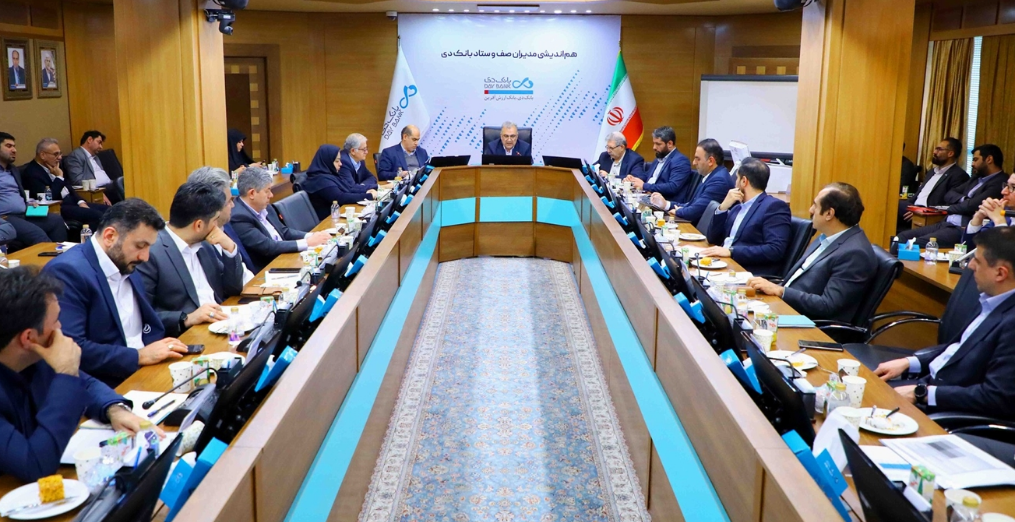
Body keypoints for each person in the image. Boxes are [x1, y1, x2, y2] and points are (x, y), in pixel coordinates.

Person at [0, 266, 162, 482]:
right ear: (28, 338)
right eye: (56, 322)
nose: (61, 328)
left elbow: (85, 383)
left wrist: (115, 410)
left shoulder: (34, 355)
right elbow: (35, 465)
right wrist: (66, 373)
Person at [873, 226, 1015, 421]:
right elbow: (960, 349)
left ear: (1000, 273)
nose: (970, 265)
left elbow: (996, 397)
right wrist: (910, 362)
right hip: (927, 385)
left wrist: (922, 393)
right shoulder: (990, 300)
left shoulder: (1011, 323)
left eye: (977, 261)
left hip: (950, 413)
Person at [42, 199, 188, 387]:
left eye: (149, 247)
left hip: (151, 368)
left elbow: (143, 324)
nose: (145, 257)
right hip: (108, 384)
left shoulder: (126, 262)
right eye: (140, 246)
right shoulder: (67, 272)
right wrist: (138, 356)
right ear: (110, 236)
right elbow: (71, 348)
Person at [747, 182, 876, 322]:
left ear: (829, 214)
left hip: (805, 322)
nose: (811, 210)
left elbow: (827, 305)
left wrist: (780, 291)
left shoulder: (855, 254)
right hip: (784, 306)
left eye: (815, 205)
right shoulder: (826, 237)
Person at [137, 182, 244, 337]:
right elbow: (143, 316)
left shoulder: (205, 244)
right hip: (188, 336)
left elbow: (233, 288)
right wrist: (187, 318)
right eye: (215, 219)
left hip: (222, 323)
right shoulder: (151, 253)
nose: (217, 226)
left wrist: (229, 247)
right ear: (198, 225)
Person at [898, 144, 1006, 248]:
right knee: (901, 237)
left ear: (989, 159)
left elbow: (972, 206)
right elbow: (949, 194)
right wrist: (964, 199)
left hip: (960, 227)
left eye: (975, 160)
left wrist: (950, 208)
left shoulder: (999, 182)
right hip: (946, 222)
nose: (972, 164)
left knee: (913, 243)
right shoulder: (976, 178)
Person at [230, 166, 331, 272]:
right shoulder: (239, 217)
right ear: (252, 193)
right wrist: (307, 242)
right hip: (270, 268)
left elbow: (283, 231)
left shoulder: (264, 205)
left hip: (285, 256)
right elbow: (268, 246)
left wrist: (313, 236)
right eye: (267, 191)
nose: (271, 195)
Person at [701, 157, 791, 276]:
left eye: (737, 178)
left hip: (745, 271)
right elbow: (712, 238)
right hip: (721, 263)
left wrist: (731, 251)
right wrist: (722, 208)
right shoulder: (737, 207)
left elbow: (775, 250)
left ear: (744, 181)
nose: (734, 183)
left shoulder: (774, 207)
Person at [22, 138, 108, 231]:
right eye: (56, 154)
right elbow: (49, 197)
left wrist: (80, 202)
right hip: (59, 207)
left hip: (72, 202)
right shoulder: (32, 173)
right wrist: (59, 177)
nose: (60, 158)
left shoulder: (54, 166)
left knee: (109, 210)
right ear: (43, 155)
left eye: (60, 153)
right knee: (96, 215)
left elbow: (69, 187)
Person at [0, 132, 68, 247]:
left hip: (25, 212)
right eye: (8, 146)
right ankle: (51, 258)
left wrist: (29, 202)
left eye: (14, 146)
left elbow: (17, 194)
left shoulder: (13, 170)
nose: (14, 150)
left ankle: (63, 255)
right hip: (5, 217)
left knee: (56, 220)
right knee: (38, 235)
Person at [187, 166, 255, 278]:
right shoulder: (197, 242)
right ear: (212, 207)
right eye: (229, 201)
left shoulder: (225, 224)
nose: (233, 205)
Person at [649, 138, 733, 224]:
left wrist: (678, 211)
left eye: (697, 159)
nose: (694, 163)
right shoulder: (712, 176)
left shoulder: (719, 181)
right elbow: (692, 205)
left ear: (711, 161)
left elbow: (694, 211)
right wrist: (666, 204)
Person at [898, 138, 968, 231]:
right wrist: (913, 208)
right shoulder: (932, 172)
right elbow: (917, 195)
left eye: (939, 149)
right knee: (890, 203)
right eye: (935, 149)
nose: (934, 152)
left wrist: (920, 211)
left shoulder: (958, 175)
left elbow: (948, 204)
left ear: (950, 153)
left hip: (929, 213)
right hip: (914, 208)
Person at [302, 143, 379, 221]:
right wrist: (368, 196)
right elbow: (341, 197)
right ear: (327, 161)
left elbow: (349, 188)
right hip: (327, 221)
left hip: (337, 216)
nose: (340, 164)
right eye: (337, 161)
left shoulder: (331, 175)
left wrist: (366, 191)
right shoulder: (320, 180)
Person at [626, 126, 694, 203]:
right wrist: (634, 179)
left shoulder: (681, 161)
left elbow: (673, 187)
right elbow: (648, 176)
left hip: (665, 203)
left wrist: (644, 186)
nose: (654, 147)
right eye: (654, 143)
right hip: (649, 198)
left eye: (658, 144)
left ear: (670, 143)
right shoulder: (659, 157)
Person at [961, 172, 1015, 246]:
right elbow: (972, 248)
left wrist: (1000, 222)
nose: (1003, 192)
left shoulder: (1001, 217)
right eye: (1006, 186)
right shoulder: (1006, 213)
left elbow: (1007, 251)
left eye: (1013, 187)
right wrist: (978, 218)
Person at [65, 131, 115, 202]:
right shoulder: (75, 156)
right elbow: (78, 181)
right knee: (121, 183)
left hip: (109, 186)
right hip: (98, 189)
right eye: (99, 142)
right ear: (89, 140)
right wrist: (98, 192)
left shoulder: (95, 157)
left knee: (124, 182)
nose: (101, 147)